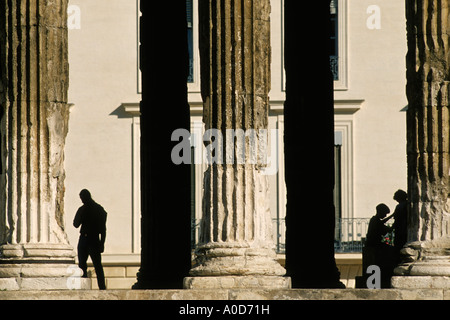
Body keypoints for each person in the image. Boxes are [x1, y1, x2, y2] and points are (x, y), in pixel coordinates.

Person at [73, 189, 107, 290]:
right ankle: (97, 287)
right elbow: (76, 224)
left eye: (82, 198)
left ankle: (96, 287)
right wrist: (102, 243)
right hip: (90, 239)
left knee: (92, 266)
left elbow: (102, 229)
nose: (82, 200)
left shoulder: (95, 209)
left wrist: (102, 243)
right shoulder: (98, 209)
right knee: (88, 266)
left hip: (90, 239)